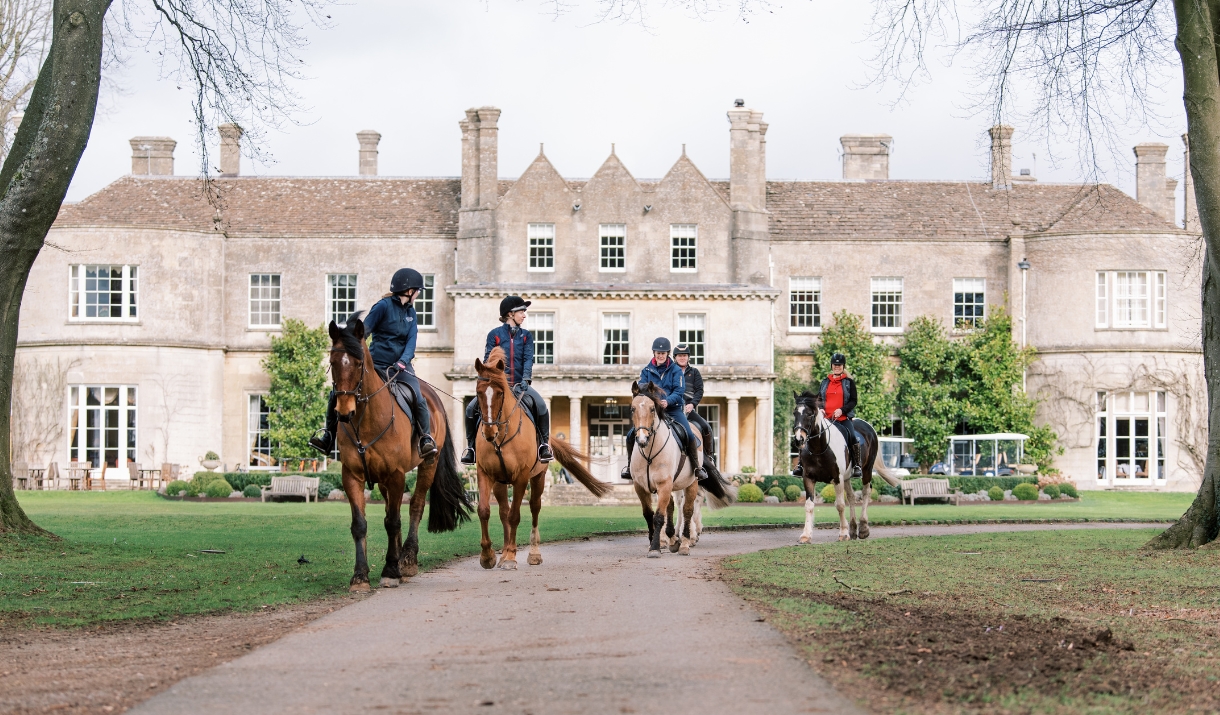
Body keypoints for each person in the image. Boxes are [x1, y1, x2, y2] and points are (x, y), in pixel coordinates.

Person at [309, 268, 437, 458]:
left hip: (401, 367)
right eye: (417, 290)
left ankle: (425, 438)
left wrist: (403, 361)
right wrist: (353, 351)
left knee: (418, 396)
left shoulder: (411, 313)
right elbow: (364, 331)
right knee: (337, 392)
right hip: (376, 364)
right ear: (409, 291)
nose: (418, 294)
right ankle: (328, 435)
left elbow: (411, 341)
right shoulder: (382, 307)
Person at [460, 295, 554, 464]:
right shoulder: (494, 335)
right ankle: (471, 448)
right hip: (497, 386)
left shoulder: (526, 336)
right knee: (470, 410)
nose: (524, 315)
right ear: (511, 314)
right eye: (522, 311)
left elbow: (528, 359)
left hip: (520, 385)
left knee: (541, 406)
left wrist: (526, 379)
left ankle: (544, 446)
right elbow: (488, 360)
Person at [620, 337, 707, 481]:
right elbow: (642, 388)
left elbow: (679, 392)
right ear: (654, 353)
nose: (660, 355)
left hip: (672, 410)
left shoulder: (676, 370)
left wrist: (668, 401)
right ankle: (630, 467)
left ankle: (697, 468)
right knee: (630, 435)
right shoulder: (646, 370)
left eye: (663, 353)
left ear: (667, 354)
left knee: (689, 434)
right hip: (652, 411)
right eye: (658, 352)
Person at [818, 352, 862, 479]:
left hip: (842, 419)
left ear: (843, 366)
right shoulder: (825, 382)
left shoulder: (849, 382)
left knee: (852, 436)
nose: (837, 366)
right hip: (826, 419)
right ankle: (801, 465)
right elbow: (819, 398)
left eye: (839, 364)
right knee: (810, 434)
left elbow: (854, 400)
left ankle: (857, 466)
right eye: (835, 364)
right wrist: (820, 408)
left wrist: (842, 410)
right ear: (832, 365)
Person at [674, 343, 716, 464]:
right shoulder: (670, 372)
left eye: (685, 355)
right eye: (680, 355)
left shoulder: (695, 372)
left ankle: (709, 457)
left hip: (688, 409)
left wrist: (692, 404)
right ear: (675, 357)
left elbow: (699, 391)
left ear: (688, 357)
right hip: (674, 409)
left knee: (706, 427)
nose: (682, 358)